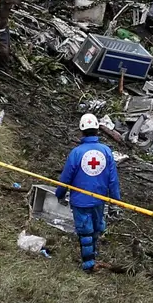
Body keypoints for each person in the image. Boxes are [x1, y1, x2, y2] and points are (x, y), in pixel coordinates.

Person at [58, 113, 122, 274]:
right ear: (97, 130)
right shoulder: (106, 151)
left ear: (81, 131)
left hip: (80, 200)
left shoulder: (76, 153)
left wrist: (60, 193)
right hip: (99, 200)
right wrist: (116, 201)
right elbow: (113, 179)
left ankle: (88, 264)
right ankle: (93, 257)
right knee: (95, 228)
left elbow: (66, 177)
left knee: (85, 231)